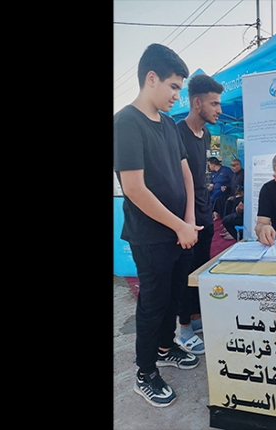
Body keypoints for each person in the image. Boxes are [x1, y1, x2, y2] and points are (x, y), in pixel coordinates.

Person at [113, 43, 202, 408]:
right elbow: (134, 188)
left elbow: (185, 172)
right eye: (173, 86)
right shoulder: (126, 122)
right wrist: (178, 226)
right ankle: (145, 372)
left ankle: (166, 348)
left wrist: (189, 220)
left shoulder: (168, 124)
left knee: (174, 294)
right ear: (152, 78)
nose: (177, 95)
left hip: (181, 230)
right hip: (151, 236)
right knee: (153, 302)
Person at [175, 74, 223, 354]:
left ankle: (195, 318)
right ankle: (183, 329)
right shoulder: (176, 133)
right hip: (185, 219)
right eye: (214, 103)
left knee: (200, 271)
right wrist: (185, 221)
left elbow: (202, 179)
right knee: (184, 273)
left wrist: (209, 212)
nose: (219, 110)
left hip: (205, 215)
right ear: (197, 102)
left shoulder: (207, 136)